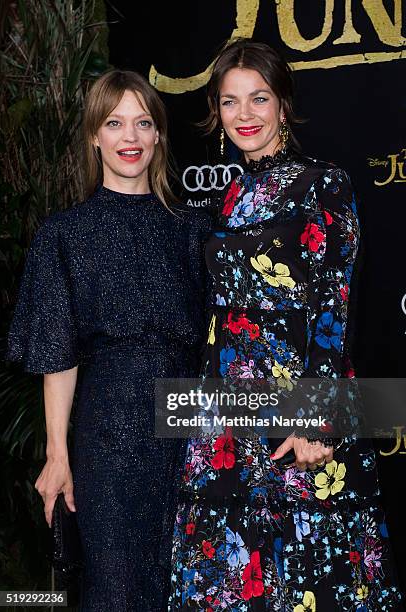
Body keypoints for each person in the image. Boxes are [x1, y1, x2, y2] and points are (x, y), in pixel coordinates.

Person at [169, 39, 404, 611]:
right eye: (230, 102)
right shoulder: (223, 200)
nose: (244, 115)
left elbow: (333, 309)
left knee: (309, 578)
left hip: (298, 402)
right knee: (230, 580)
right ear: (216, 114)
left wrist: (314, 418)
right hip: (226, 414)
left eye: (258, 99)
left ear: (283, 105)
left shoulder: (324, 183)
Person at [7, 69, 211, 611]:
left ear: (158, 136)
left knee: (192, 588)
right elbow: (58, 353)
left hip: (194, 433)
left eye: (143, 123)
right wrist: (57, 454)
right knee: (116, 589)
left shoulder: (193, 229)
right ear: (94, 136)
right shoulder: (64, 235)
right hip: (110, 437)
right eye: (114, 123)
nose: (130, 137)